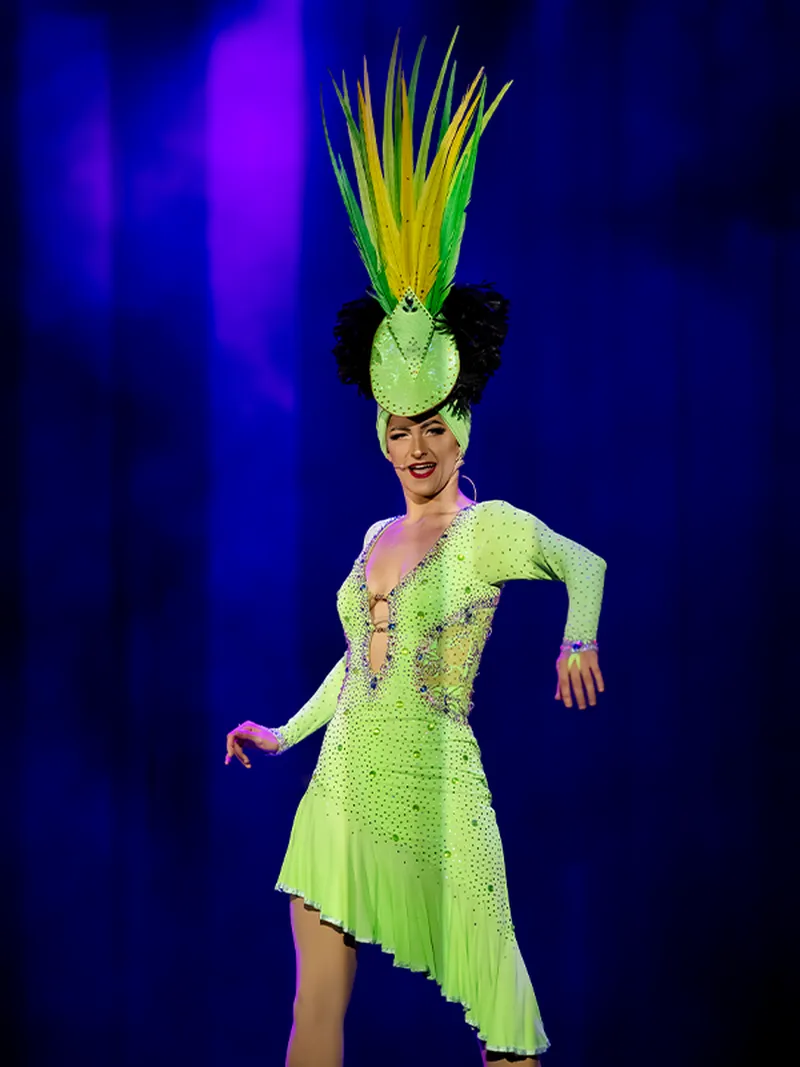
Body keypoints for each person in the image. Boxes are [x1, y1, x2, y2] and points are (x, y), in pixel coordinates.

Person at [225, 31, 607, 1067]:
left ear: (461, 423)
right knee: (311, 1018)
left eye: (435, 424)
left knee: (508, 1027)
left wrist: (576, 640)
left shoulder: (485, 529)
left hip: (440, 786)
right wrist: (282, 731)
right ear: (381, 433)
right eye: (401, 428)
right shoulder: (371, 534)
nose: (418, 445)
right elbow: (355, 668)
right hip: (344, 779)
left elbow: (586, 563)